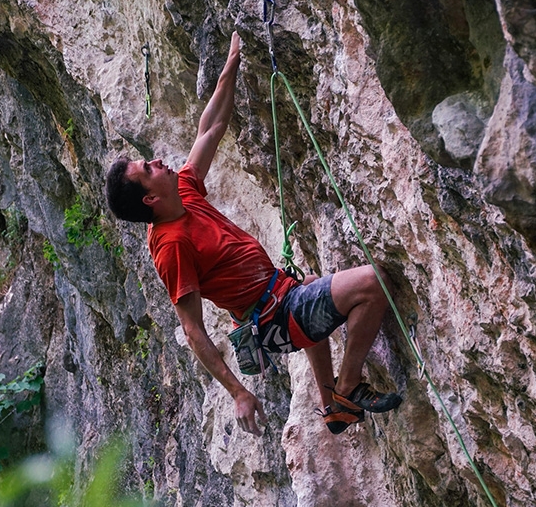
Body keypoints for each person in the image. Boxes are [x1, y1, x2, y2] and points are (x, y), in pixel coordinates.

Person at [106, 31, 402, 436]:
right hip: (273, 317)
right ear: (149, 200)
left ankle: (330, 404)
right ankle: (347, 389)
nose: (158, 161)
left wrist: (232, 62)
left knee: (313, 286)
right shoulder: (171, 246)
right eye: (148, 168)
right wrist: (238, 393)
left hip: (279, 297)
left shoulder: (184, 191)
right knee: (373, 282)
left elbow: (211, 127)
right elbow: (192, 330)